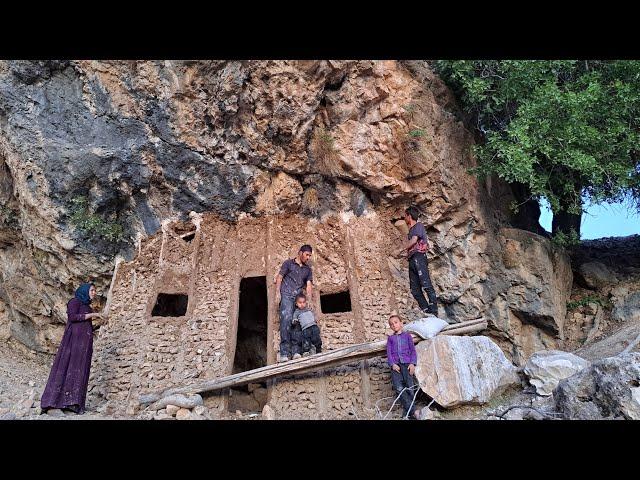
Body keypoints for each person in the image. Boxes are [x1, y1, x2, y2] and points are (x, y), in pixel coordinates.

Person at [41, 283, 102, 415]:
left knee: (79, 370)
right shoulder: (75, 302)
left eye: (95, 290)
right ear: (84, 291)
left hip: (84, 345)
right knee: (66, 367)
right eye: (92, 290)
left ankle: (73, 404)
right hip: (73, 342)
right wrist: (93, 315)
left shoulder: (87, 306)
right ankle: (54, 402)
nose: (94, 292)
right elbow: (72, 317)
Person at [394, 206, 438, 316]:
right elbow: (410, 247)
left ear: (409, 216)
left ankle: (434, 311)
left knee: (426, 284)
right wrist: (401, 254)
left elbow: (414, 241)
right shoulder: (410, 232)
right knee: (415, 290)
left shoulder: (418, 226)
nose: (404, 218)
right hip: (412, 259)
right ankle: (427, 311)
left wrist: (400, 249)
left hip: (419, 257)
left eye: (405, 216)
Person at [275, 245, 314, 362]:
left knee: (297, 323)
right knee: (286, 320)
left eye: (310, 256)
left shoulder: (307, 270)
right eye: (307, 255)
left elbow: (308, 285)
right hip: (286, 295)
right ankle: (284, 353)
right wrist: (278, 293)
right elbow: (280, 277)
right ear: (300, 253)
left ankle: (296, 351)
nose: (308, 258)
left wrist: (310, 300)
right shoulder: (288, 263)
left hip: (298, 298)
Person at [386, 314, 420, 420]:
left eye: (396, 322)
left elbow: (413, 351)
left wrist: (412, 363)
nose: (394, 325)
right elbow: (389, 353)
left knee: (409, 388)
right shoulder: (390, 339)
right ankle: (414, 411)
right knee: (399, 388)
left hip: (407, 365)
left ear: (401, 323)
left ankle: (408, 414)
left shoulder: (407, 336)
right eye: (391, 324)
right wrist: (392, 364)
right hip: (396, 367)